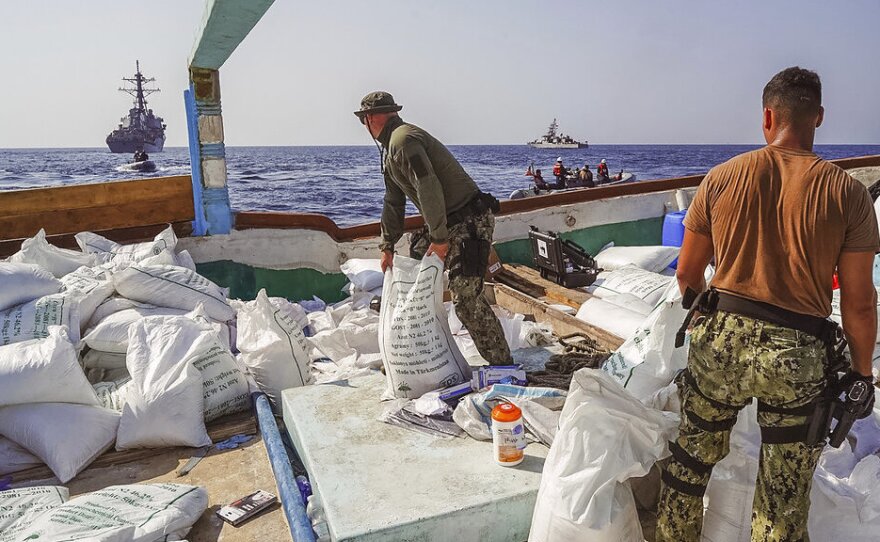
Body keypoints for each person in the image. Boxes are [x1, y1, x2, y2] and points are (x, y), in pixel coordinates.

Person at [655, 67, 879, 542]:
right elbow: (860, 303)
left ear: (767, 117)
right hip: (798, 353)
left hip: (722, 341)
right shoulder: (850, 194)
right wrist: (862, 375)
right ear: (819, 117)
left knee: (689, 467)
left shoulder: (720, 178)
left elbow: (687, 274)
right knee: (782, 499)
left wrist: (706, 320)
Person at [354, 91, 513, 365]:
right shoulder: (390, 150)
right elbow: (393, 201)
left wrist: (439, 240)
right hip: (446, 222)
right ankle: (414, 360)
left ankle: (503, 365)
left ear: (370, 118)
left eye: (363, 120)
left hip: (470, 222)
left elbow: (428, 187)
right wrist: (387, 245)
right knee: (413, 281)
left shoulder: (403, 141)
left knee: (466, 301)